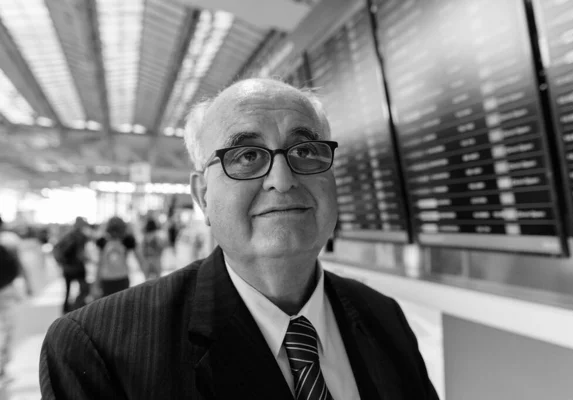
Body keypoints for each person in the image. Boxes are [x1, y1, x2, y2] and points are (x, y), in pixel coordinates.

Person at [39, 78, 438, 399]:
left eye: (306, 151)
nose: (282, 181)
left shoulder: (383, 318)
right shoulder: (99, 349)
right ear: (202, 195)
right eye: (246, 156)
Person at [0, 217, 32, 391]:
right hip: (5, 290)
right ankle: (2, 369)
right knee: (6, 328)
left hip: (5, 290)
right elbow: (19, 264)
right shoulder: (10, 240)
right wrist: (28, 284)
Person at [93, 216, 145, 297]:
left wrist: (146, 276)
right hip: (108, 280)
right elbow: (100, 264)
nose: (115, 234)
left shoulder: (126, 241)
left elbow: (140, 259)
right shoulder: (103, 242)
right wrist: (96, 284)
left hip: (121, 279)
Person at [52, 217, 90, 314]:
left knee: (68, 291)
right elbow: (81, 254)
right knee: (84, 289)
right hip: (77, 267)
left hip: (67, 268)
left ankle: (66, 311)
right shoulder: (81, 236)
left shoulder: (67, 235)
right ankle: (76, 309)